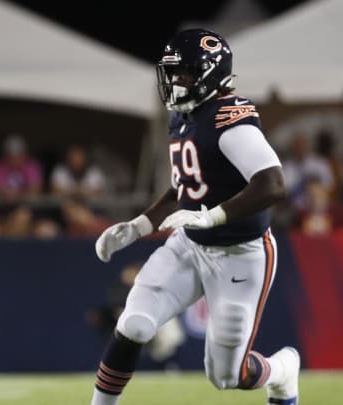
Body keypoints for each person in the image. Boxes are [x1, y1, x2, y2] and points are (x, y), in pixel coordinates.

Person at [91, 29, 299, 405]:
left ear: (211, 73)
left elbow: (273, 183)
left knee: (226, 376)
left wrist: (215, 216)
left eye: (185, 73)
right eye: (173, 72)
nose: (175, 81)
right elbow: (184, 189)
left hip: (242, 252)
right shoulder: (182, 117)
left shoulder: (229, 119)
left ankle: (283, 370)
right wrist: (138, 226)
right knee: (134, 321)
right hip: (190, 243)